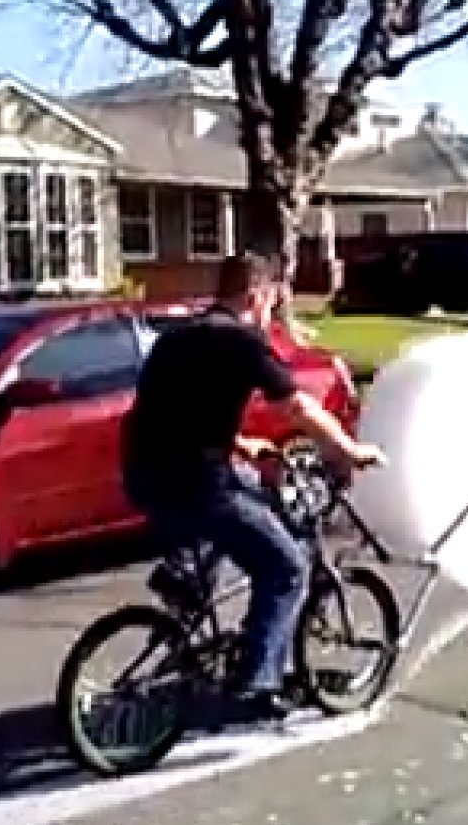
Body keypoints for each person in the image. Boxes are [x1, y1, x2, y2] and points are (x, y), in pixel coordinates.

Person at [123, 253, 385, 722]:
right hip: (200, 486)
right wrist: (348, 449)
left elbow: (172, 415)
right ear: (257, 296)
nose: (272, 313)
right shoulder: (241, 342)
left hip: (145, 477)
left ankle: (190, 581)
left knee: (254, 499)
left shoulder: (176, 338)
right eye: (272, 301)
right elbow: (297, 408)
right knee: (286, 568)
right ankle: (258, 684)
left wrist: (243, 443)